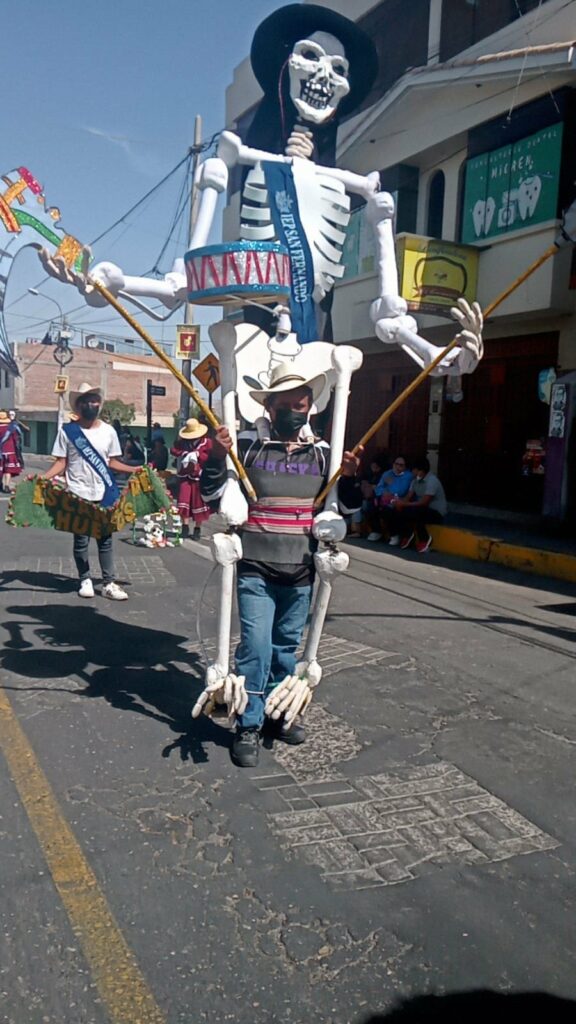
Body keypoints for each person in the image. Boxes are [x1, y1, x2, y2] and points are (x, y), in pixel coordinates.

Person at [201, 364, 361, 767]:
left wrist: (352, 478)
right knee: (255, 648)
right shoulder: (249, 449)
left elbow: (350, 507)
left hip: (302, 569)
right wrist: (219, 455)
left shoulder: (324, 455)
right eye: (286, 404)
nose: (294, 410)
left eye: (301, 404)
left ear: (310, 409)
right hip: (255, 566)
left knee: (285, 651)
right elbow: (210, 491)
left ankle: (278, 714)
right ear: (269, 408)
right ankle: (249, 724)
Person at [43, 383, 137, 600]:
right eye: (85, 401)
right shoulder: (68, 432)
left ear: (99, 404)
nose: (91, 404)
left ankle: (108, 583)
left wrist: (135, 469)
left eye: (94, 400)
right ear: (78, 406)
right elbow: (61, 463)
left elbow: (112, 462)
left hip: (104, 492)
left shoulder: (109, 431)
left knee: (105, 539)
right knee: (81, 539)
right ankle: (84, 578)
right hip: (78, 491)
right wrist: (42, 479)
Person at [386, 456, 447, 553]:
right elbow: (408, 497)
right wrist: (399, 503)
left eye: (413, 470)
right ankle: (408, 535)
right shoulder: (414, 481)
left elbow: (424, 502)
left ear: (420, 471)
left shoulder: (432, 481)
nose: (412, 472)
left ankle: (425, 539)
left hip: (436, 512)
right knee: (398, 509)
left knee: (417, 511)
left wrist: (405, 504)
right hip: (422, 508)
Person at [171, 418, 213, 540]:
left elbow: (210, 456)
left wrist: (199, 455)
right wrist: (184, 453)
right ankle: (184, 526)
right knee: (183, 500)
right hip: (185, 475)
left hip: (200, 476)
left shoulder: (207, 442)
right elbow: (174, 450)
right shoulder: (184, 442)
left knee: (198, 502)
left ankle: (197, 529)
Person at [366, 455, 413, 544]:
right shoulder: (387, 474)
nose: (398, 467)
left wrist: (392, 485)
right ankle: (377, 531)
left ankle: (394, 534)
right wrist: (384, 492)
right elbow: (379, 488)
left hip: (399, 500)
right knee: (371, 506)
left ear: (405, 467)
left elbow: (402, 491)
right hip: (385, 498)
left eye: (401, 465)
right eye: (396, 464)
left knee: (388, 511)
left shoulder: (408, 476)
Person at [0, 408, 24, 493]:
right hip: (10, 451)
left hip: (1, 451)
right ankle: (6, 485)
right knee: (8, 470)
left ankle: (0, 484)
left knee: (1, 469)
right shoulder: (12, 428)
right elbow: (16, 440)